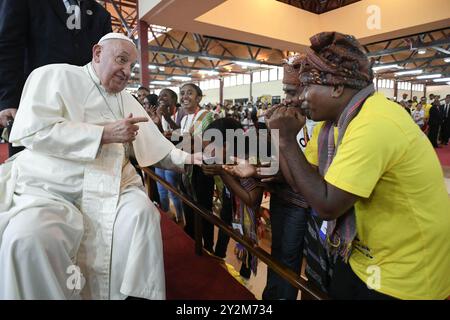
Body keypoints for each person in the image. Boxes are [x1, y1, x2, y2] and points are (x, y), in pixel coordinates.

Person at [0, 33, 197, 300]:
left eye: (131, 67)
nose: (126, 71)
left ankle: (131, 296)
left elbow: (160, 149)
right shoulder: (54, 75)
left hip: (113, 187)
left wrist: (193, 160)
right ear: (97, 53)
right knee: (26, 239)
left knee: (142, 214)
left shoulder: (127, 100)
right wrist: (103, 133)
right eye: (121, 60)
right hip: (49, 190)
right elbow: (33, 133)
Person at [266, 32, 450, 300]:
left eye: (307, 87)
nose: (299, 97)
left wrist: (285, 141)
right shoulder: (335, 126)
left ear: (337, 87)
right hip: (361, 254)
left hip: (405, 271)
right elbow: (306, 184)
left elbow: (326, 205)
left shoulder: (374, 122)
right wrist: (284, 141)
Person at [0, 0, 112, 156]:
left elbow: (105, 61)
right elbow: (8, 46)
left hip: (84, 109)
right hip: (34, 103)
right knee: (32, 168)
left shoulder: (101, 14)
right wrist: (8, 98)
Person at [178, 83, 216, 252]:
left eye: (189, 93)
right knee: (188, 204)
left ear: (198, 98)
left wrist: (181, 146)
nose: (184, 96)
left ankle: (207, 245)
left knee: (203, 208)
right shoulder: (185, 118)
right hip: (186, 167)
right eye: (182, 93)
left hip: (202, 170)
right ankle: (192, 239)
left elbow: (206, 144)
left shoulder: (206, 116)